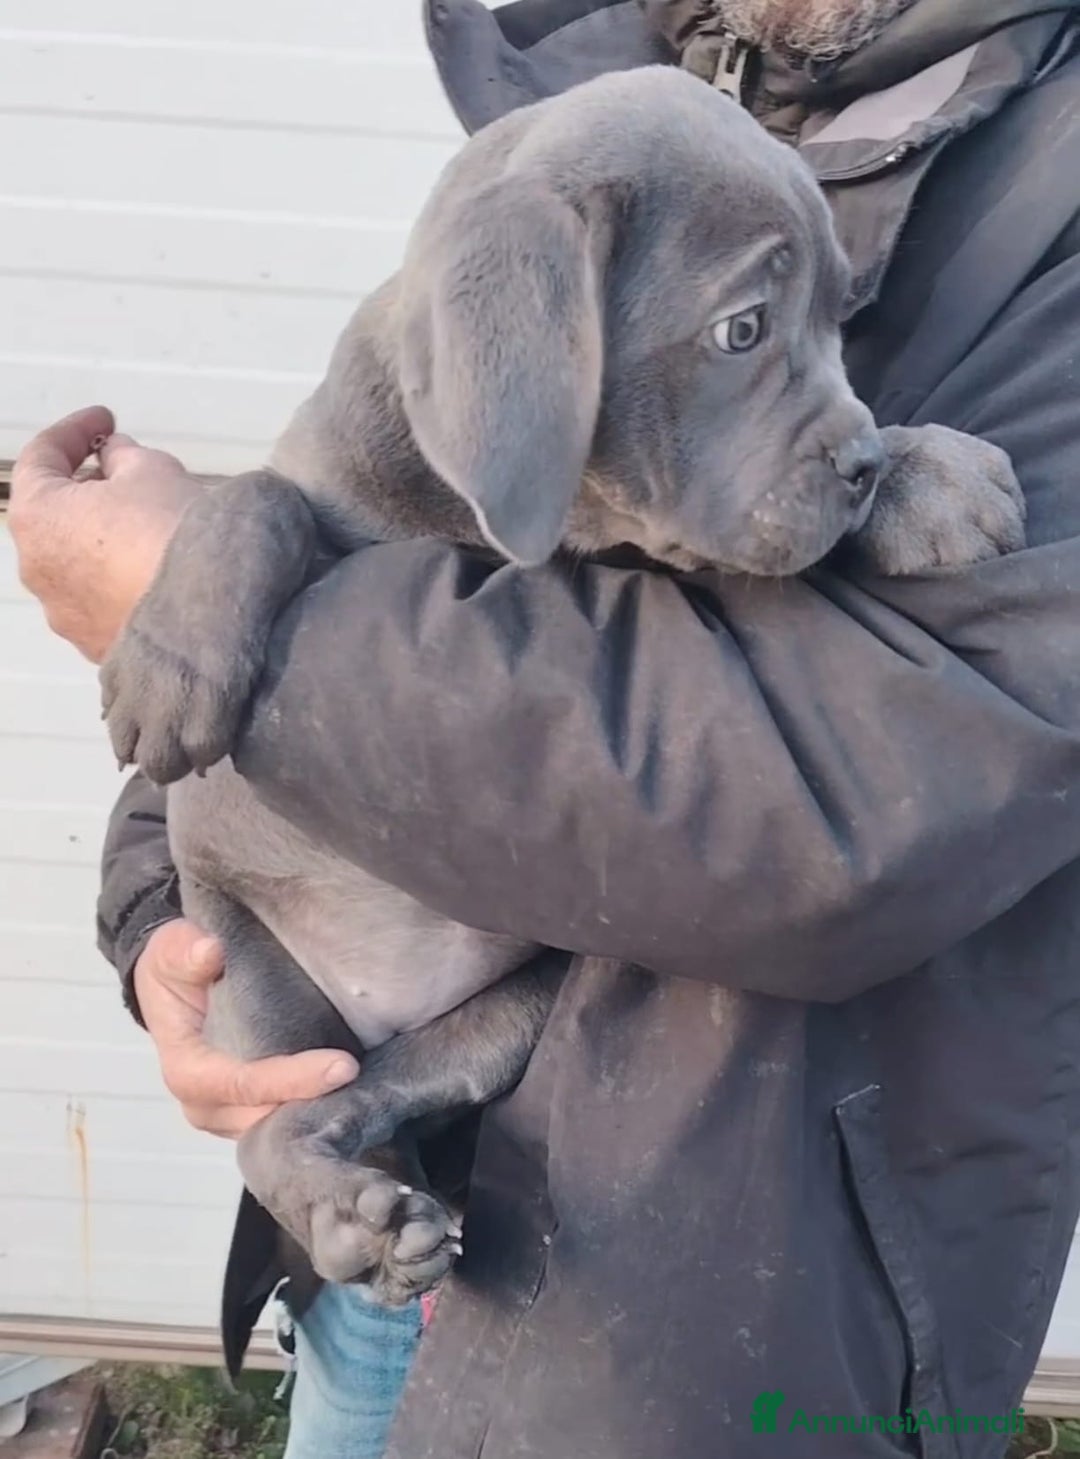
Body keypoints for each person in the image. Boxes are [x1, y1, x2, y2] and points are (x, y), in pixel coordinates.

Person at [12, 0, 1080, 1454]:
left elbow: (836, 800)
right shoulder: (611, 106)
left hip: (687, 1350)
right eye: (755, 331)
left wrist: (873, 468)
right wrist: (160, 924)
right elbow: (284, 603)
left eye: (821, 331)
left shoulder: (1042, 197)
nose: (835, 411)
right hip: (371, 1241)